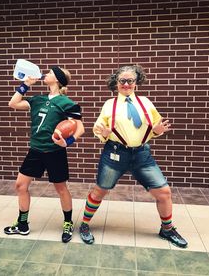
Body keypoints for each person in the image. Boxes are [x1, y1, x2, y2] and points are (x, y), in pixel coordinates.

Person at [79, 64, 188, 248]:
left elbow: (155, 126)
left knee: (164, 192)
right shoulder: (109, 104)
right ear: (116, 83)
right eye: (122, 81)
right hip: (115, 153)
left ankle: (167, 229)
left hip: (141, 155)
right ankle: (84, 225)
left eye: (131, 81)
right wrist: (104, 133)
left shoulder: (146, 102)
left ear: (137, 82)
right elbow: (98, 130)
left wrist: (157, 130)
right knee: (100, 190)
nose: (127, 84)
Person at [4, 65, 85, 243]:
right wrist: (25, 85)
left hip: (54, 152)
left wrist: (68, 142)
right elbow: (13, 103)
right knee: (20, 185)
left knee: (61, 188)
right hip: (35, 150)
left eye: (49, 73)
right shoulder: (37, 99)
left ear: (57, 79)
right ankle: (22, 225)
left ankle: (68, 223)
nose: (45, 74)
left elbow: (80, 128)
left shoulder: (67, 103)